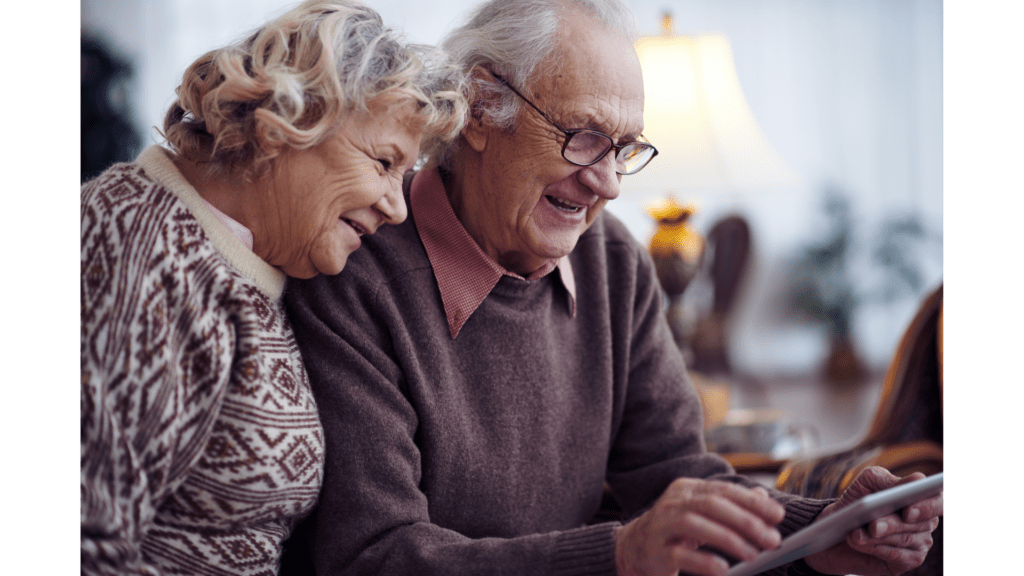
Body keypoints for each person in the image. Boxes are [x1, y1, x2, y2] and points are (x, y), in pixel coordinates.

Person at [283, 1, 942, 575]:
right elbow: (374, 558)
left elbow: (676, 476)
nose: (609, 182)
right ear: (483, 108)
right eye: (584, 138)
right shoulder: (355, 267)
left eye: (623, 149)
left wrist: (824, 531)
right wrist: (620, 556)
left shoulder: (611, 259)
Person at [78, 1, 467, 574]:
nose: (395, 207)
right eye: (384, 162)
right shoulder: (144, 247)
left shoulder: (239, 257)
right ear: (287, 121)